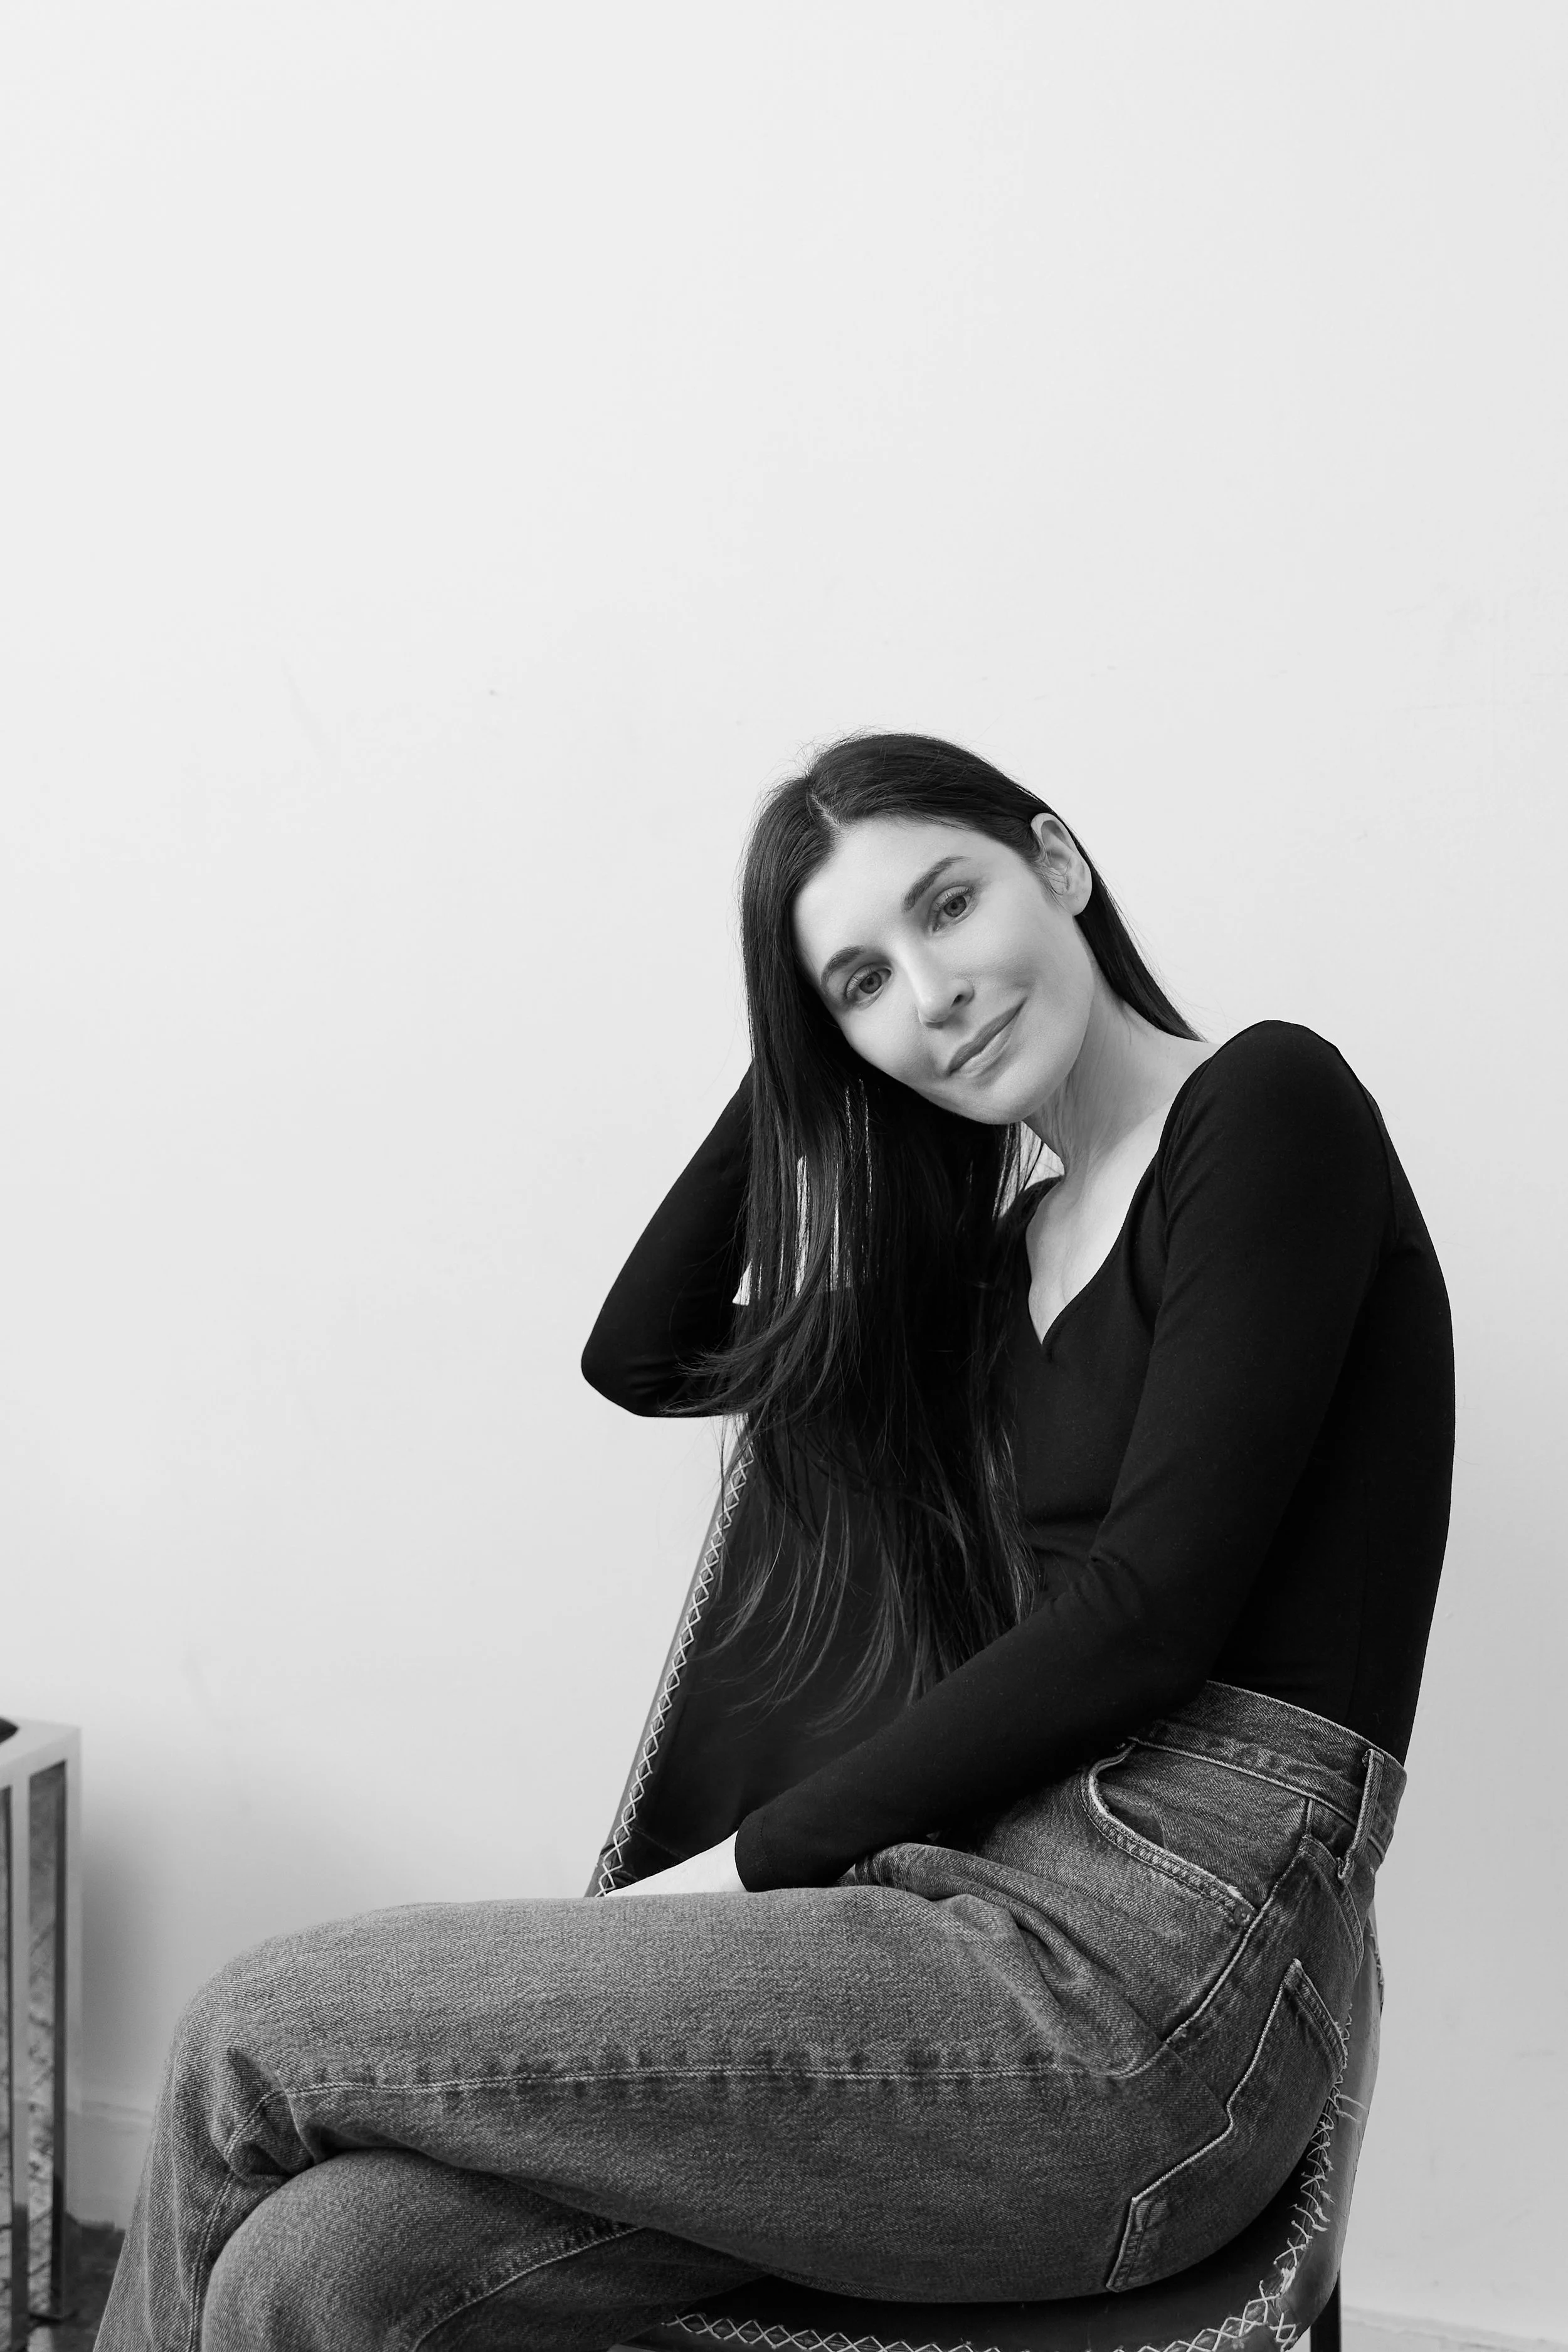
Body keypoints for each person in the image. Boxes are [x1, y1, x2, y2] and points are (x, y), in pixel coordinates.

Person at [99, 734, 1454, 2352]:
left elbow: (1148, 1616)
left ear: (1060, 863)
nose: (935, 996)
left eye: (949, 906)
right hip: (965, 1916)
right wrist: (794, 1061)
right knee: (321, 2268)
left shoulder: (1268, 1106)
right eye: (864, 984)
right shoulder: (999, 1268)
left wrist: (739, 1875)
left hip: (1160, 2001)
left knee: (252, 2027)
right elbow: (643, 1353)